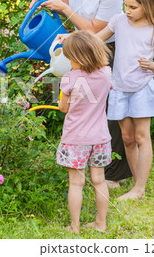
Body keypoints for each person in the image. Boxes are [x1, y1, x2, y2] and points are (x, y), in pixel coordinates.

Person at [30, 0, 132, 186]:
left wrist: (65, 11)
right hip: (77, 42)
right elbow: (65, 3)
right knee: (81, 103)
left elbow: (96, 31)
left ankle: (114, 174)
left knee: (106, 107)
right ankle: (84, 161)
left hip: (103, 46)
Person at [97, 0, 154, 200]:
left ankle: (139, 189)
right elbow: (96, 38)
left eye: (133, 7)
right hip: (118, 88)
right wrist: (71, 38)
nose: (127, 11)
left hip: (142, 88)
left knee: (141, 136)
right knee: (127, 138)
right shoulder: (119, 21)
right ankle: (137, 186)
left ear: (147, 5)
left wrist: (151, 65)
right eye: (125, 5)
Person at [58, 30, 112, 233]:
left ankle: (75, 226)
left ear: (79, 58)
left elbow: (64, 108)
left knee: (76, 182)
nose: (69, 62)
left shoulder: (69, 78)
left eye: (70, 58)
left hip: (75, 140)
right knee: (99, 180)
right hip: (100, 139)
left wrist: (64, 99)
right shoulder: (106, 73)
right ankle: (101, 223)